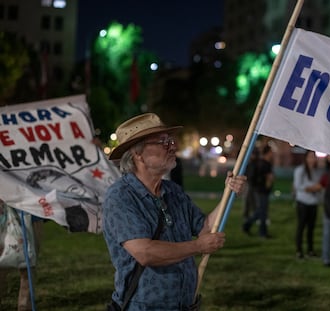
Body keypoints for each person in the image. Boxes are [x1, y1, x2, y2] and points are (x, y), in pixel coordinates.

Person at [102, 113, 246, 310]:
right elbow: (145, 252)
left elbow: (205, 228)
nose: (172, 146)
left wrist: (228, 194)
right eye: (162, 141)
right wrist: (197, 247)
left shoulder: (173, 191)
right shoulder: (120, 197)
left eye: (170, 140)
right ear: (138, 153)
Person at [293, 150, 323, 259]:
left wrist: (317, 189)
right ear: (306, 158)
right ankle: (299, 251)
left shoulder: (317, 171)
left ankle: (310, 250)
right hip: (303, 203)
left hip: (313, 203)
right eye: (310, 157)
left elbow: (320, 184)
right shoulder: (300, 170)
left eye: (314, 157)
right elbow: (298, 186)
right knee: (301, 227)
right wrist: (311, 188)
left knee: (311, 228)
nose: (312, 159)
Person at [242, 144, 274, 239]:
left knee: (262, 211)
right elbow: (265, 177)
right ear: (268, 153)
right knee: (261, 211)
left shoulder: (263, 163)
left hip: (261, 190)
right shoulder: (264, 164)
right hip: (261, 190)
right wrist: (268, 179)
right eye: (271, 152)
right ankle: (250, 227)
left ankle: (260, 231)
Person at [242, 147, 259, 220]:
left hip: (254, 184)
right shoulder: (249, 163)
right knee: (247, 200)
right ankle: (246, 215)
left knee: (254, 200)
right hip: (249, 183)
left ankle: (255, 215)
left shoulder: (256, 163)